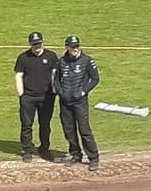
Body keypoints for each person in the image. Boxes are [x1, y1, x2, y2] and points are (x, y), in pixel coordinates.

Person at [52, 33, 100, 168]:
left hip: (80, 102)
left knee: (84, 130)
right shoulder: (61, 61)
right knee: (69, 130)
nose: (75, 49)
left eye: (77, 46)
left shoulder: (87, 60)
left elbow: (95, 79)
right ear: (67, 47)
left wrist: (84, 91)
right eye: (72, 47)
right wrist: (60, 92)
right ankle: (75, 154)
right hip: (65, 102)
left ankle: (93, 157)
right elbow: (56, 79)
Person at [15, 30, 59, 160]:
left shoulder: (51, 56)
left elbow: (55, 75)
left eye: (39, 44)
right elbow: (18, 76)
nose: (37, 47)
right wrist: (21, 94)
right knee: (26, 124)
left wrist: (54, 91)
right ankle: (27, 149)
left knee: (45, 124)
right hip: (28, 97)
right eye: (34, 45)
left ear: (42, 42)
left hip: (46, 97)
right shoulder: (23, 57)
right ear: (30, 44)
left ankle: (44, 148)